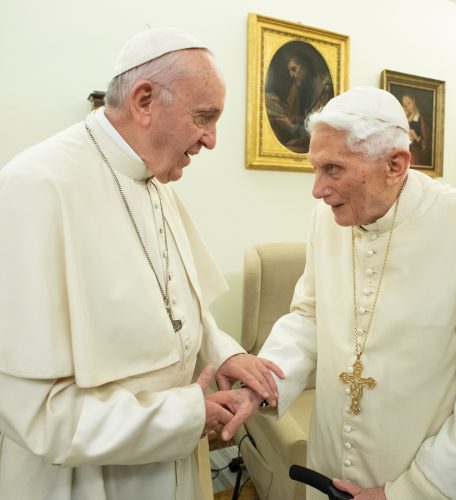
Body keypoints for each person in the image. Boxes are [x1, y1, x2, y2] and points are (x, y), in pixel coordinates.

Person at [0, 27, 284, 500]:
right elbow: (35, 413)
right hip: (87, 480)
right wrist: (187, 416)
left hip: (174, 462)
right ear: (144, 100)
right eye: (204, 117)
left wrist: (224, 353)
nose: (212, 140)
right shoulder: (34, 187)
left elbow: (178, 308)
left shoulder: (153, 179)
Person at [236, 87, 456, 499]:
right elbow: (309, 316)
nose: (317, 190)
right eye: (315, 168)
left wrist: (411, 491)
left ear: (395, 165)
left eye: (333, 169)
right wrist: (263, 384)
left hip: (421, 479)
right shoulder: (325, 219)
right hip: (327, 465)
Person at [266, 46, 334, 153]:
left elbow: (319, 129)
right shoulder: (297, 88)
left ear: (305, 66)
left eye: (294, 69)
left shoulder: (324, 90)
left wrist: (292, 128)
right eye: (289, 71)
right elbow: (303, 117)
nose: (291, 75)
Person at [401, 92, 432, 166]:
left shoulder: (423, 119)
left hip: (420, 158)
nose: (407, 107)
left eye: (409, 103)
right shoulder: (404, 118)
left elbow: (428, 141)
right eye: (405, 105)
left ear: (414, 101)